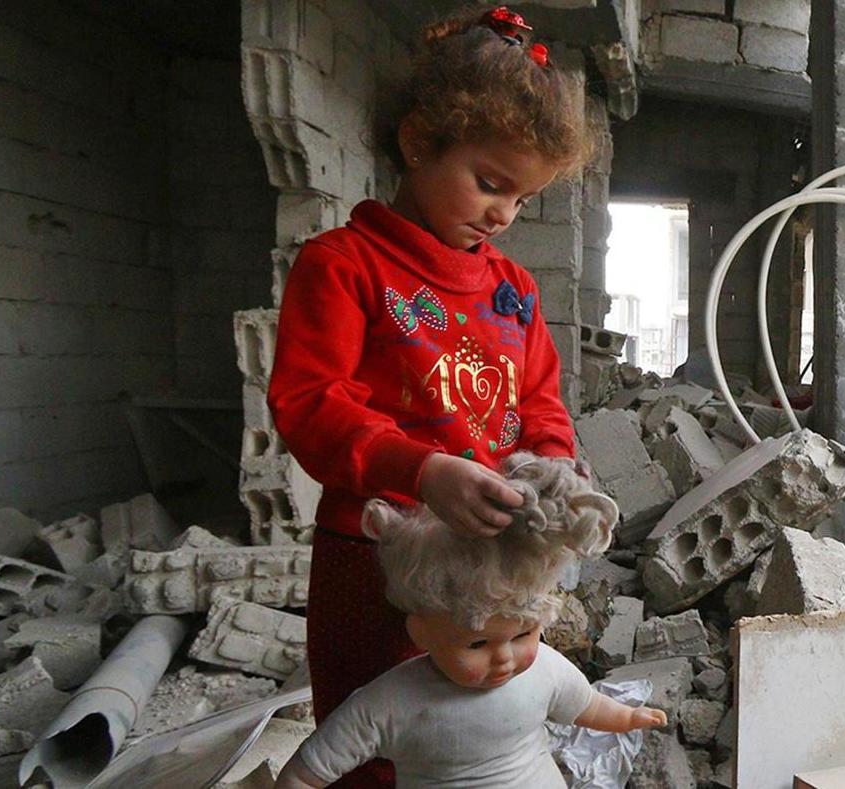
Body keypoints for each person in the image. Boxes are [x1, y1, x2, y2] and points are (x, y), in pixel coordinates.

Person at [267, 6, 599, 787]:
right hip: (373, 557)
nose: (504, 216)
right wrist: (422, 471)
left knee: (478, 735)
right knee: (370, 747)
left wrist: (553, 472)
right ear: (419, 142)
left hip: (491, 562)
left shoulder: (513, 289)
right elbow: (311, 401)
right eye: (490, 184)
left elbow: (541, 399)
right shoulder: (344, 265)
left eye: (522, 200)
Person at [273, 454, 667, 789]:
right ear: (421, 632)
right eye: (478, 644)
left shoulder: (544, 669)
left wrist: (628, 718)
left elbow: (586, 706)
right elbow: (312, 769)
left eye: (523, 634)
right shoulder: (390, 703)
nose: (505, 658)